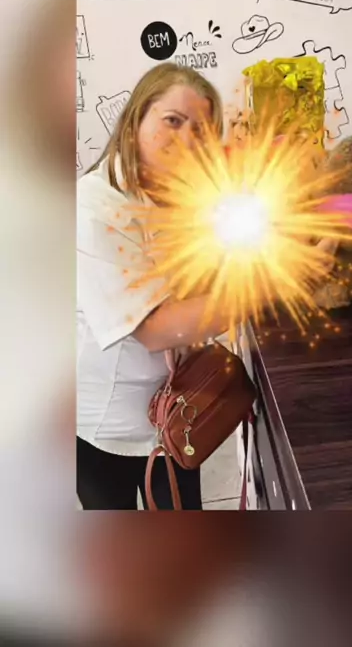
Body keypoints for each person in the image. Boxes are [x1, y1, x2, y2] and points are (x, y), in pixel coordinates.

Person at [77, 63, 230, 510]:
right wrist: (261, 292)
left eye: (201, 130)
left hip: (176, 408)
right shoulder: (95, 206)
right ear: (135, 120)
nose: (187, 140)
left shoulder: (184, 200)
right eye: (173, 121)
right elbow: (154, 328)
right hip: (106, 424)